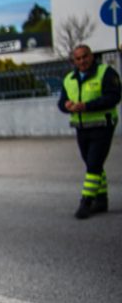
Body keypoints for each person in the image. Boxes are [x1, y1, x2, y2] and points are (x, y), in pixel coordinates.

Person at [58, 44, 120, 219]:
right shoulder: (69, 79)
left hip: (102, 125)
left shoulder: (106, 72)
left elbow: (114, 97)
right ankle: (101, 200)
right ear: (74, 61)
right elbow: (61, 102)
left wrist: (87, 106)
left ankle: (86, 202)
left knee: (93, 164)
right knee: (93, 164)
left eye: (85, 56)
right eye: (78, 58)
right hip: (82, 127)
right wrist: (67, 105)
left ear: (91, 56)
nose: (82, 61)